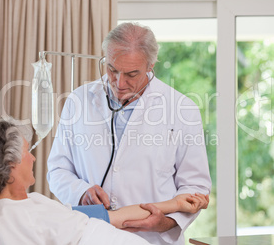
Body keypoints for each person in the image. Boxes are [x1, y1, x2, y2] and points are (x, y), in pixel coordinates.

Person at [47, 22, 212, 244]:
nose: (119, 82)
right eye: (112, 69)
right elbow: (57, 169)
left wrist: (165, 223)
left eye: (132, 74)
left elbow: (195, 187)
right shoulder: (79, 101)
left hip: (152, 239)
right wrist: (80, 191)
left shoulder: (182, 109)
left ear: (151, 66)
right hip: (91, 237)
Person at [0, 119, 208, 245]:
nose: (32, 158)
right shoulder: (12, 220)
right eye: (26, 153)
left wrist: (174, 204)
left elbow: (114, 217)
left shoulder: (33, 203)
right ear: (9, 167)